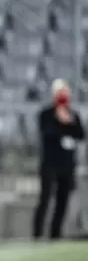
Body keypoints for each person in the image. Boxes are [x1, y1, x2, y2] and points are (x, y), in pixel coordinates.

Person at [33, 79, 85, 239]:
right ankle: (37, 234)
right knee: (46, 198)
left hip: (67, 164)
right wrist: (59, 121)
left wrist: (69, 123)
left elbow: (81, 134)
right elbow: (47, 133)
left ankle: (56, 234)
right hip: (50, 163)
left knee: (63, 200)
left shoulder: (73, 115)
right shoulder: (46, 114)